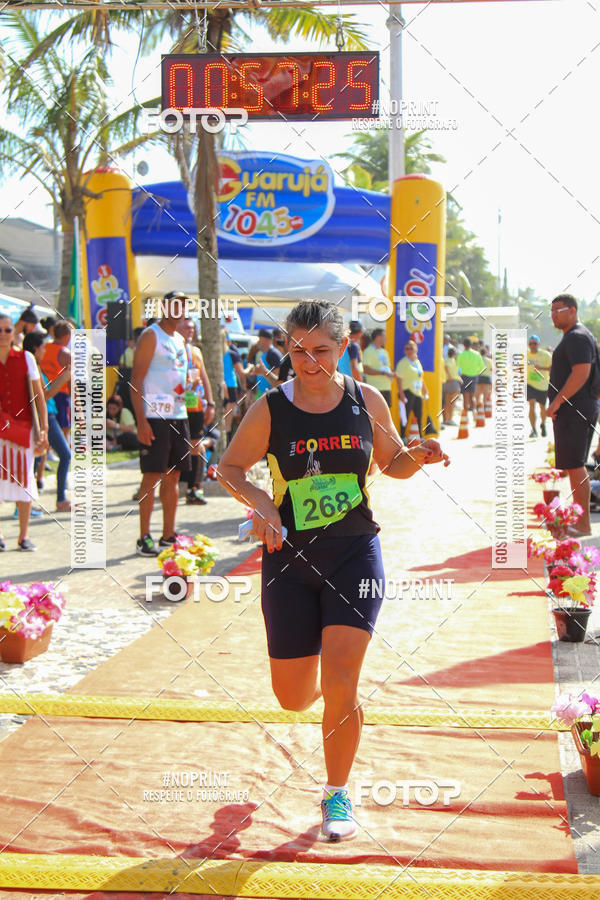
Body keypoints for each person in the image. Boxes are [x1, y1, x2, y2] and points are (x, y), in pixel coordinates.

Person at [217, 300, 449, 842]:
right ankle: (320, 686)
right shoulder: (271, 407)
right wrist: (263, 504)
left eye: (320, 350)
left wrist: (419, 454)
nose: (308, 361)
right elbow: (229, 468)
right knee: (294, 698)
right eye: (297, 350)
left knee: (343, 680)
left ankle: (337, 792)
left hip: (354, 554)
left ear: (343, 348)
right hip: (289, 560)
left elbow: (391, 463)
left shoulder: (366, 399)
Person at [130, 291, 190, 557]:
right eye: (174, 306)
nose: (179, 311)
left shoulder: (180, 339)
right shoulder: (151, 335)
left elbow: (177, 376)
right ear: (164, 307)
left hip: (179, 414)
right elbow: (135, 380)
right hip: (154, 417)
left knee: (174, 474)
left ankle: (168, 534)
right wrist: (141, 421)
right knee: (151, 476)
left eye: (183, 307)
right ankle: (144, 537)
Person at [547, 294, 600, 537]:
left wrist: (557, 401)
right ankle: (580, 521)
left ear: (572, 310)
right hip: (578, 408)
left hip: (575, 409)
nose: (553, 315)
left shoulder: (577, 337)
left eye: (558, 310)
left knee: (575, 465)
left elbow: (581, 372)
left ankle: (582, 524)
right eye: (551, 311)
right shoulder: (578, 336)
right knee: (573, 464)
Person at [0, 313, 48, 550]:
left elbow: (39, 396)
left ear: (14, 332)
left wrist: (44, 428)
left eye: (7, 330)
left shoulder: (26, 357)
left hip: (23, 428)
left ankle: (23, 535)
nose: (3, 334)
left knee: (24, 479)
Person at [23, 332, 72, 512]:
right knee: (64, 455)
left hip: (46, 415)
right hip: (45, 416)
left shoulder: (33, 366)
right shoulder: (32, 367)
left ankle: (26, 503)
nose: (45, 351)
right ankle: (60, 499)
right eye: (43, 347)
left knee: (35, 459)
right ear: (36, 349)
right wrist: (65, 377)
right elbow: (44, 395)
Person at [178, 317, 214, 505]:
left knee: (196, 445)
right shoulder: (173, 350)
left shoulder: (196, 351)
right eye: (186, 327)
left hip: (196, 405)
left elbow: (204, 377)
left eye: (192, 328)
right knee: (177, 447)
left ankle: (194, 488)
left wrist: (211, 403)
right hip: (177, 406)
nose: (190, 331)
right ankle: (175, 484)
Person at [41, 321, 72, 441]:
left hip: (45, 391)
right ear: (67, 336)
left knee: (48, 426)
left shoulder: (44, 347)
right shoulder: (66, 353)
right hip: (62, 394)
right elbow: (71, 380)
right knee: (64, 429)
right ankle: (64, 449)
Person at [395, 340, 428, 439]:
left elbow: (420, 377)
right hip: (407, 391)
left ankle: (420, 436)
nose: (409, 350)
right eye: (407, 348)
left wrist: (425, 390)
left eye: (411, 348)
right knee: (405, 415)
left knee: (419, 415)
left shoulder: (417, 362)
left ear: (416, 349)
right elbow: (399, 379)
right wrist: (401, 393)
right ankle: (402, 436)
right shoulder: (403, 362)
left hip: (417, 392)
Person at [223, 330, 246, 445]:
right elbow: (242, 372)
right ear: (228, 341)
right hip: (231, 388)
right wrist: (251, 369)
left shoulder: (215, 354)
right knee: (228, 423)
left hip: (220, 387)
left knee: (221, 421)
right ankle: (226, 446)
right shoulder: (232, 354)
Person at [526, 334, 551, 438]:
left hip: (543, 385)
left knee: (542, 407)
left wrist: (541, 368)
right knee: (531, 404)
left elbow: (552, 368)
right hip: (530, 384)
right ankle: (533, 429)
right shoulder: (525, 355)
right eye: (531, 343)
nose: (533, 345)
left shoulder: (545, 355)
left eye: (535, 343)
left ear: (539, 344)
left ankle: (543, 424)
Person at [362, 328, 394, 406]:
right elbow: (366, 369)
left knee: (386, 411)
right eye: (384, 336)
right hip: (375, 388)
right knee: (374, 411)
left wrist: (392, 373)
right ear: (378, 337)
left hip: (387, 387)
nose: (386, 338)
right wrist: (383, 373)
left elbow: (387, 368)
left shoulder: (385, 352)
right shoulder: (368, 351)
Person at [456, 337, 483, 417]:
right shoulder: (477, 354)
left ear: (463, 345)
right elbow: (482, 367)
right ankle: (474, 411)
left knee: (465, 397)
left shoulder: (461, 355)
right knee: (472, 396)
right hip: (474, 377)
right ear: (471, 344)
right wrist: (476, 372)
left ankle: (466, 416)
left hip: (465, 377)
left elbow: (457, 368)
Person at [252, 329, 282, 397]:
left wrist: (270, 394)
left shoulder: (273, 354)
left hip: (269, 395)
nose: (258, 342)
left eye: (260, 339)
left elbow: (278, 377)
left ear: (267, 340)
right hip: (261, 393)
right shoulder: (265, 353)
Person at [442, 347, 462, 425]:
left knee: (447, 403)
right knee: (452, 403)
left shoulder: (445, 360)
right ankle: (450, 419)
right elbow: (446, 367)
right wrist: (450, 375)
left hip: (446, 382)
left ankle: (446, 419)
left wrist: (459, 378)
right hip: (453, 383)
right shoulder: (452, 360)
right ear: (454, 354)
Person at [475, 346, 493, 412]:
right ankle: (484, 406)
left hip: (478, 377)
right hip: (486, 379)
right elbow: (492, 369)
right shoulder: (489, 360)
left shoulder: (477, 359)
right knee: (485, 393)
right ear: (486, 353)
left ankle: (477, 406)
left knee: (478, 393)